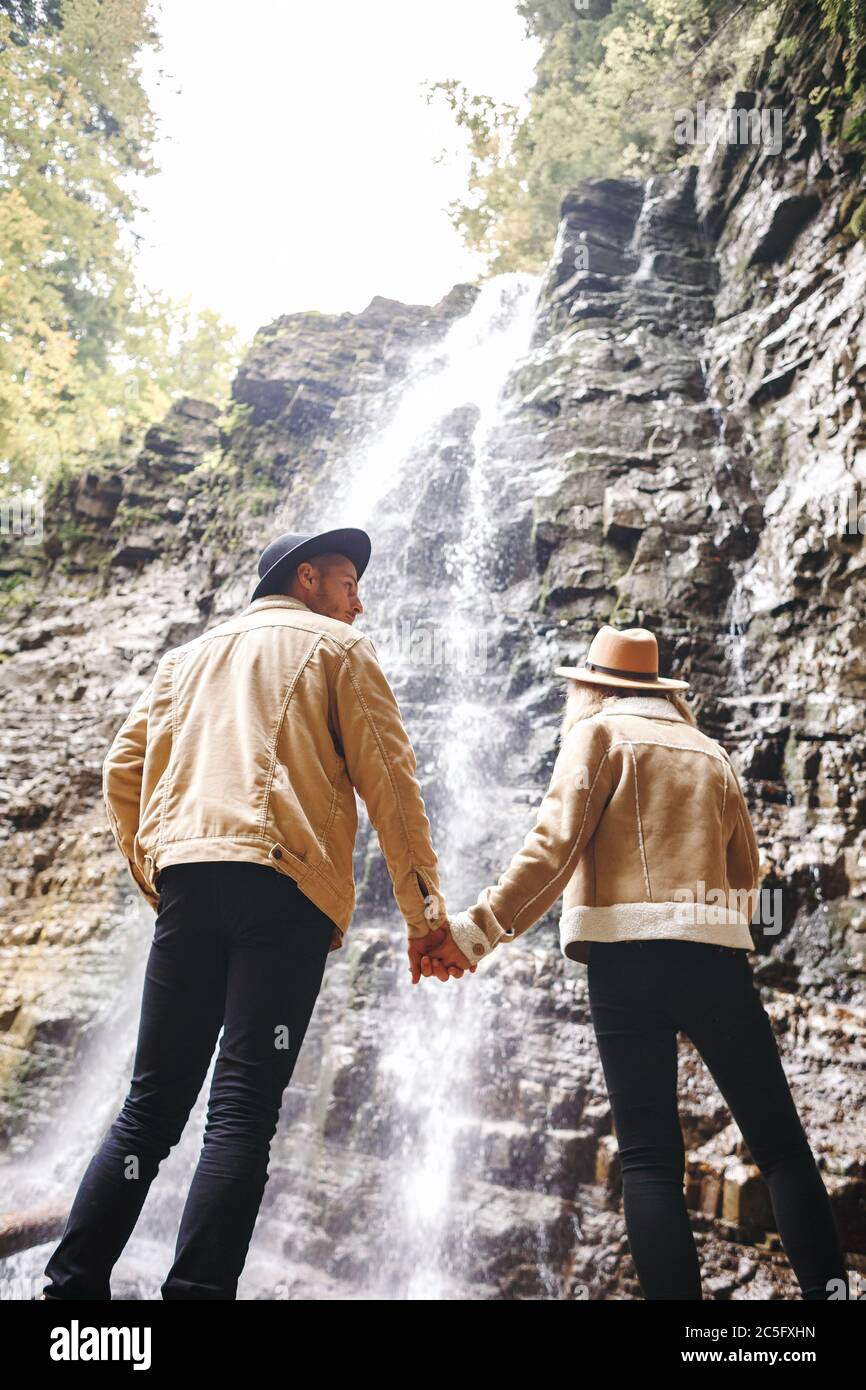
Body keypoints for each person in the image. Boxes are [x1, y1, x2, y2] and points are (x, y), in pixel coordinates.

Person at [42, 526, 456, 1301]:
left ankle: (68, 1297)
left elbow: (121, 769)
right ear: (306, 578)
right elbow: (393, 789)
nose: (358, 604)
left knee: (150, 1105)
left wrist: (157, 869)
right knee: (241, 1110)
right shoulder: (339, 653)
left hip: (190, 888)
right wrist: (425, 916)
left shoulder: (186, 658)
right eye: (347, 585)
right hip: (281, 893)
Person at [417, 623, 850, 1301]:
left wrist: (477, 932)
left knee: (650, 1162)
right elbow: (747, 874)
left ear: (592, 684)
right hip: (714, 962)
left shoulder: (595, 736)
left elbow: (551, 850)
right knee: (782, 1148)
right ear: (656, 685)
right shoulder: (711, 752)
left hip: (625, 965)